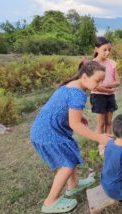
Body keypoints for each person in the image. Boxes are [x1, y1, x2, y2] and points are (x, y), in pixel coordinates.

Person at [31, 61, 111, 213]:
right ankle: (50, 202)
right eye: (97, 80)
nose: (100, 84)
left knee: (71, 155)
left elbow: (63, 107)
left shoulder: (71, 84)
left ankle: (73, 186)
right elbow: (75, 125)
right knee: (67, 164)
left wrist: (81, 116)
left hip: (44, 129)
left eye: (102, 80)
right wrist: (99, 137)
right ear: (85, 77)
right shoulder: (78, 94)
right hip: (48, 134)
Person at [90, 37, 120, 137]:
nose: (107, 52)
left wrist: (108, 86)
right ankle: (101, 145)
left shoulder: (112, 63)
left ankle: (108, 143)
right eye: (104, 50)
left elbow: (117, 81)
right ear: (96, 49)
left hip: (110, 96)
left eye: (109, 50)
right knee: (101, 123)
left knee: (109, 122)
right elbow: (94, 86)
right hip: (98, 96)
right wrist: (109, 90)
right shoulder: (92, 64)